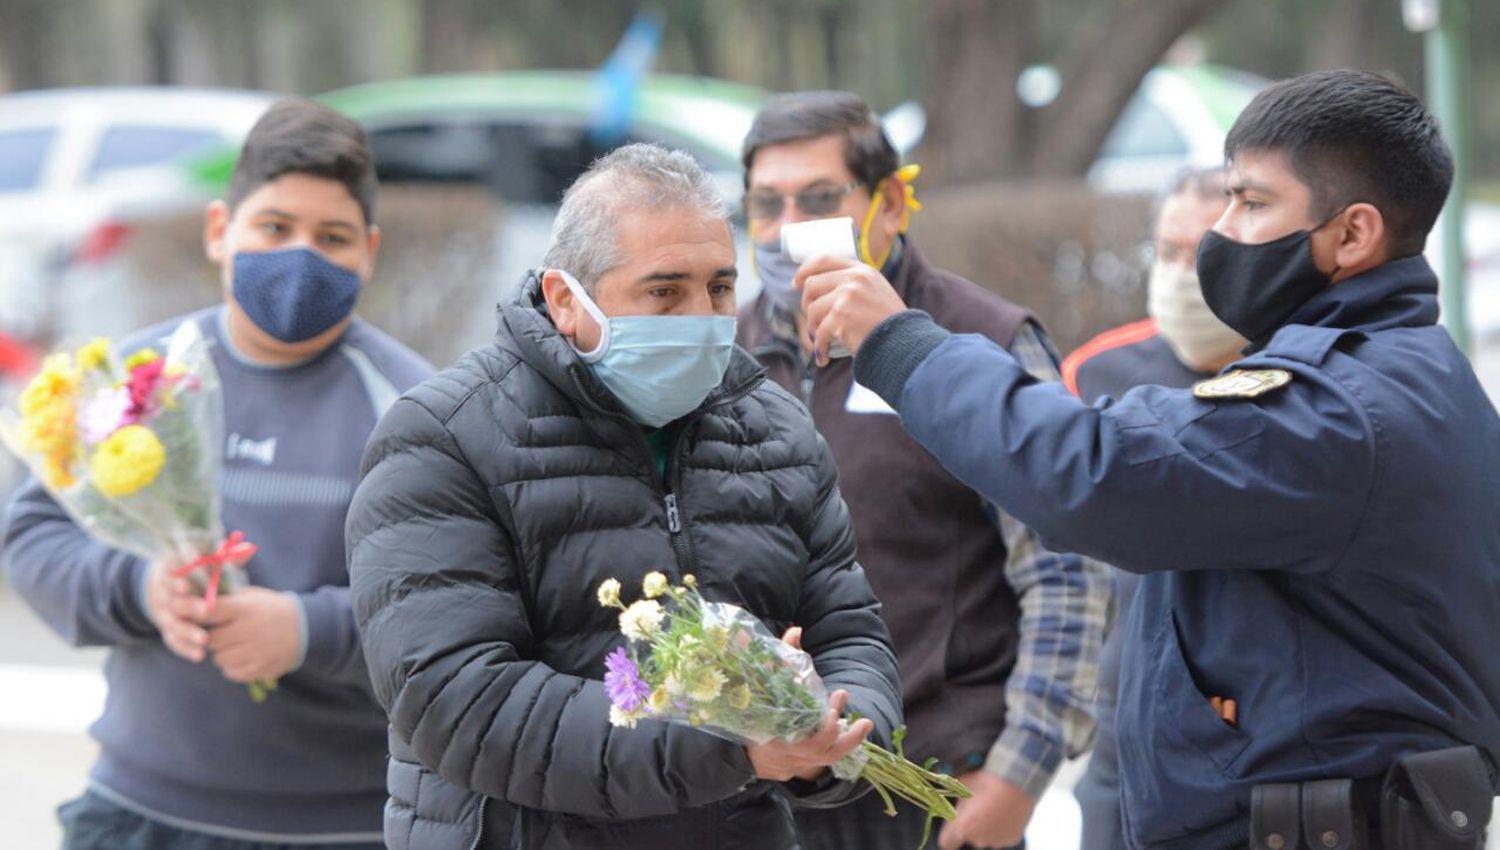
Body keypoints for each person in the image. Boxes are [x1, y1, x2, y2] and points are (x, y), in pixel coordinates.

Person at [797, 69, 1500, 848]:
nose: (1220, 230)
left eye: (1253, 203)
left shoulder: (1338, 409)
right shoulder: (1406, 370)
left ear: (1354, 234)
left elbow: (1093, 473)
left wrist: (903, 347)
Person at [344, 143, 902, 850]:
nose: (702, 317)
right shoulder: (442, 438)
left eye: (721, 288)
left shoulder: (775, 429)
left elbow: (849, 630)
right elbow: (458, 700)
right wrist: (729, 749)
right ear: (564, 300)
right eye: (665, 291)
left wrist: (835, 737)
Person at [3, 99, 432, 850]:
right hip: (138, 813)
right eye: (273, 228)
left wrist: (309, 631)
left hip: (347, 827)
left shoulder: (415, 406)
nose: (301, 255)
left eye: (331, 237)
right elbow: (34, 534)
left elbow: (456, 603)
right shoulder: (136, 380)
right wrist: (140, 589)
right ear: (217, 231)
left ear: (368, 251)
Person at [736, 91, 1112, 850]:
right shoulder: (721, 355)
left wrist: (1020, 772)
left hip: (941, 791)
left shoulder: (982, 341)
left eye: (817, 199)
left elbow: (1064, 567)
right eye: (764, 205)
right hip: (772, 798)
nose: (785, 230)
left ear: (892, 204)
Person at [1061, 165, 1237, 850]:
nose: (1180, 273)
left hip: (1259, 721)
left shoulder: (1304, 374)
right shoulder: (1098, 371)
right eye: (1167, 251)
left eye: (1201, 254)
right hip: (1127, 705)